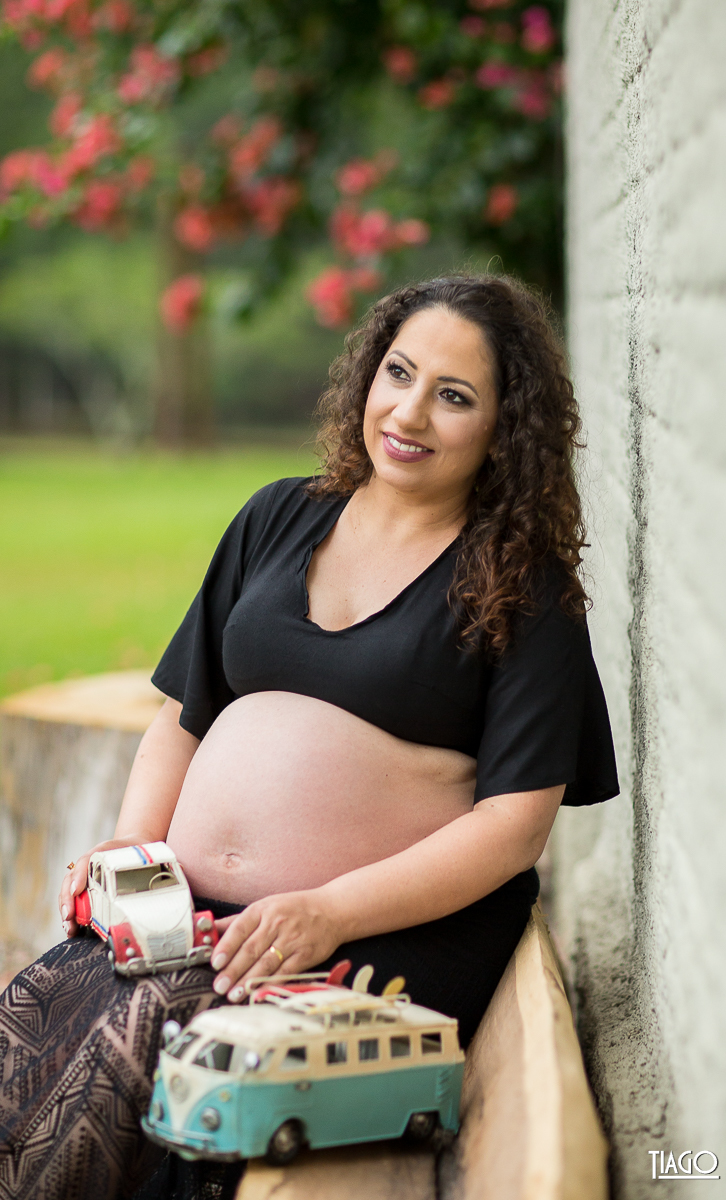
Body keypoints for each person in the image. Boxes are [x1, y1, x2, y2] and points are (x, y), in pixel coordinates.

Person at [0, 274, 618, 1200]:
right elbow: (184, 715)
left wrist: (325, 911)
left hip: (375, 934)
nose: (409, 412)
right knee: (30, 1025)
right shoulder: (278, 516)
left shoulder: (522, 587)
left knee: (136, 1064)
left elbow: (513, 828)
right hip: (193, 914)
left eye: (454, 396)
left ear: (504, 427)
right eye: (398, 373)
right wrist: (131, 852)